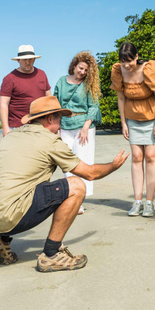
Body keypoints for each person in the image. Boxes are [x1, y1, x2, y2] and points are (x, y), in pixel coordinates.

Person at [0, 96, 129, 272]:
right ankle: (51, 254)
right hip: (9, 214)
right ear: (50, 119)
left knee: (15, 186)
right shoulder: (50, 141)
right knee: (77, 186)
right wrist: (113, 166)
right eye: (59, 119)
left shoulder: (10, 136)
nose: (61, 125)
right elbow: (90, 174)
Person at [111, 43, 155, 218]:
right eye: (122, 61)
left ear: (136, 57)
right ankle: (137, 202)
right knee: (136, 157)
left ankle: (149, 202)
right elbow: (121, 98)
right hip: (132, 119)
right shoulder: (118, 71)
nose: (126, 65)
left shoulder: (148, 68)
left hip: (153, 117)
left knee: (150, 157)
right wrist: (123, 124)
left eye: (129, 61)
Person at [53, 51, 103, 214]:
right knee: (67, 164)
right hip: (65, 125)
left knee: (83, 162)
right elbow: (55, 104)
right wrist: (57, 128)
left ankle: (79, 200)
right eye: (80, 68)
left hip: (84, 126)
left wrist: (85, 128)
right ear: (74, 65)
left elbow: (93, 106)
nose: (82, 72)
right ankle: (71, 195)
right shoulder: (61, 81)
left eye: (86, 70)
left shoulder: (89, 84)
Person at [0, 45, 51, 137]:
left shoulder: (42, 74)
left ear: (34, 60)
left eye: (30, 59)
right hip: (17, 127)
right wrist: (5, 128)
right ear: (18, 60)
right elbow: (4, 104)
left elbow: (49, 99)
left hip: (40, 125)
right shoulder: (9, 78)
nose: (27, 62)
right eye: (24, 60)